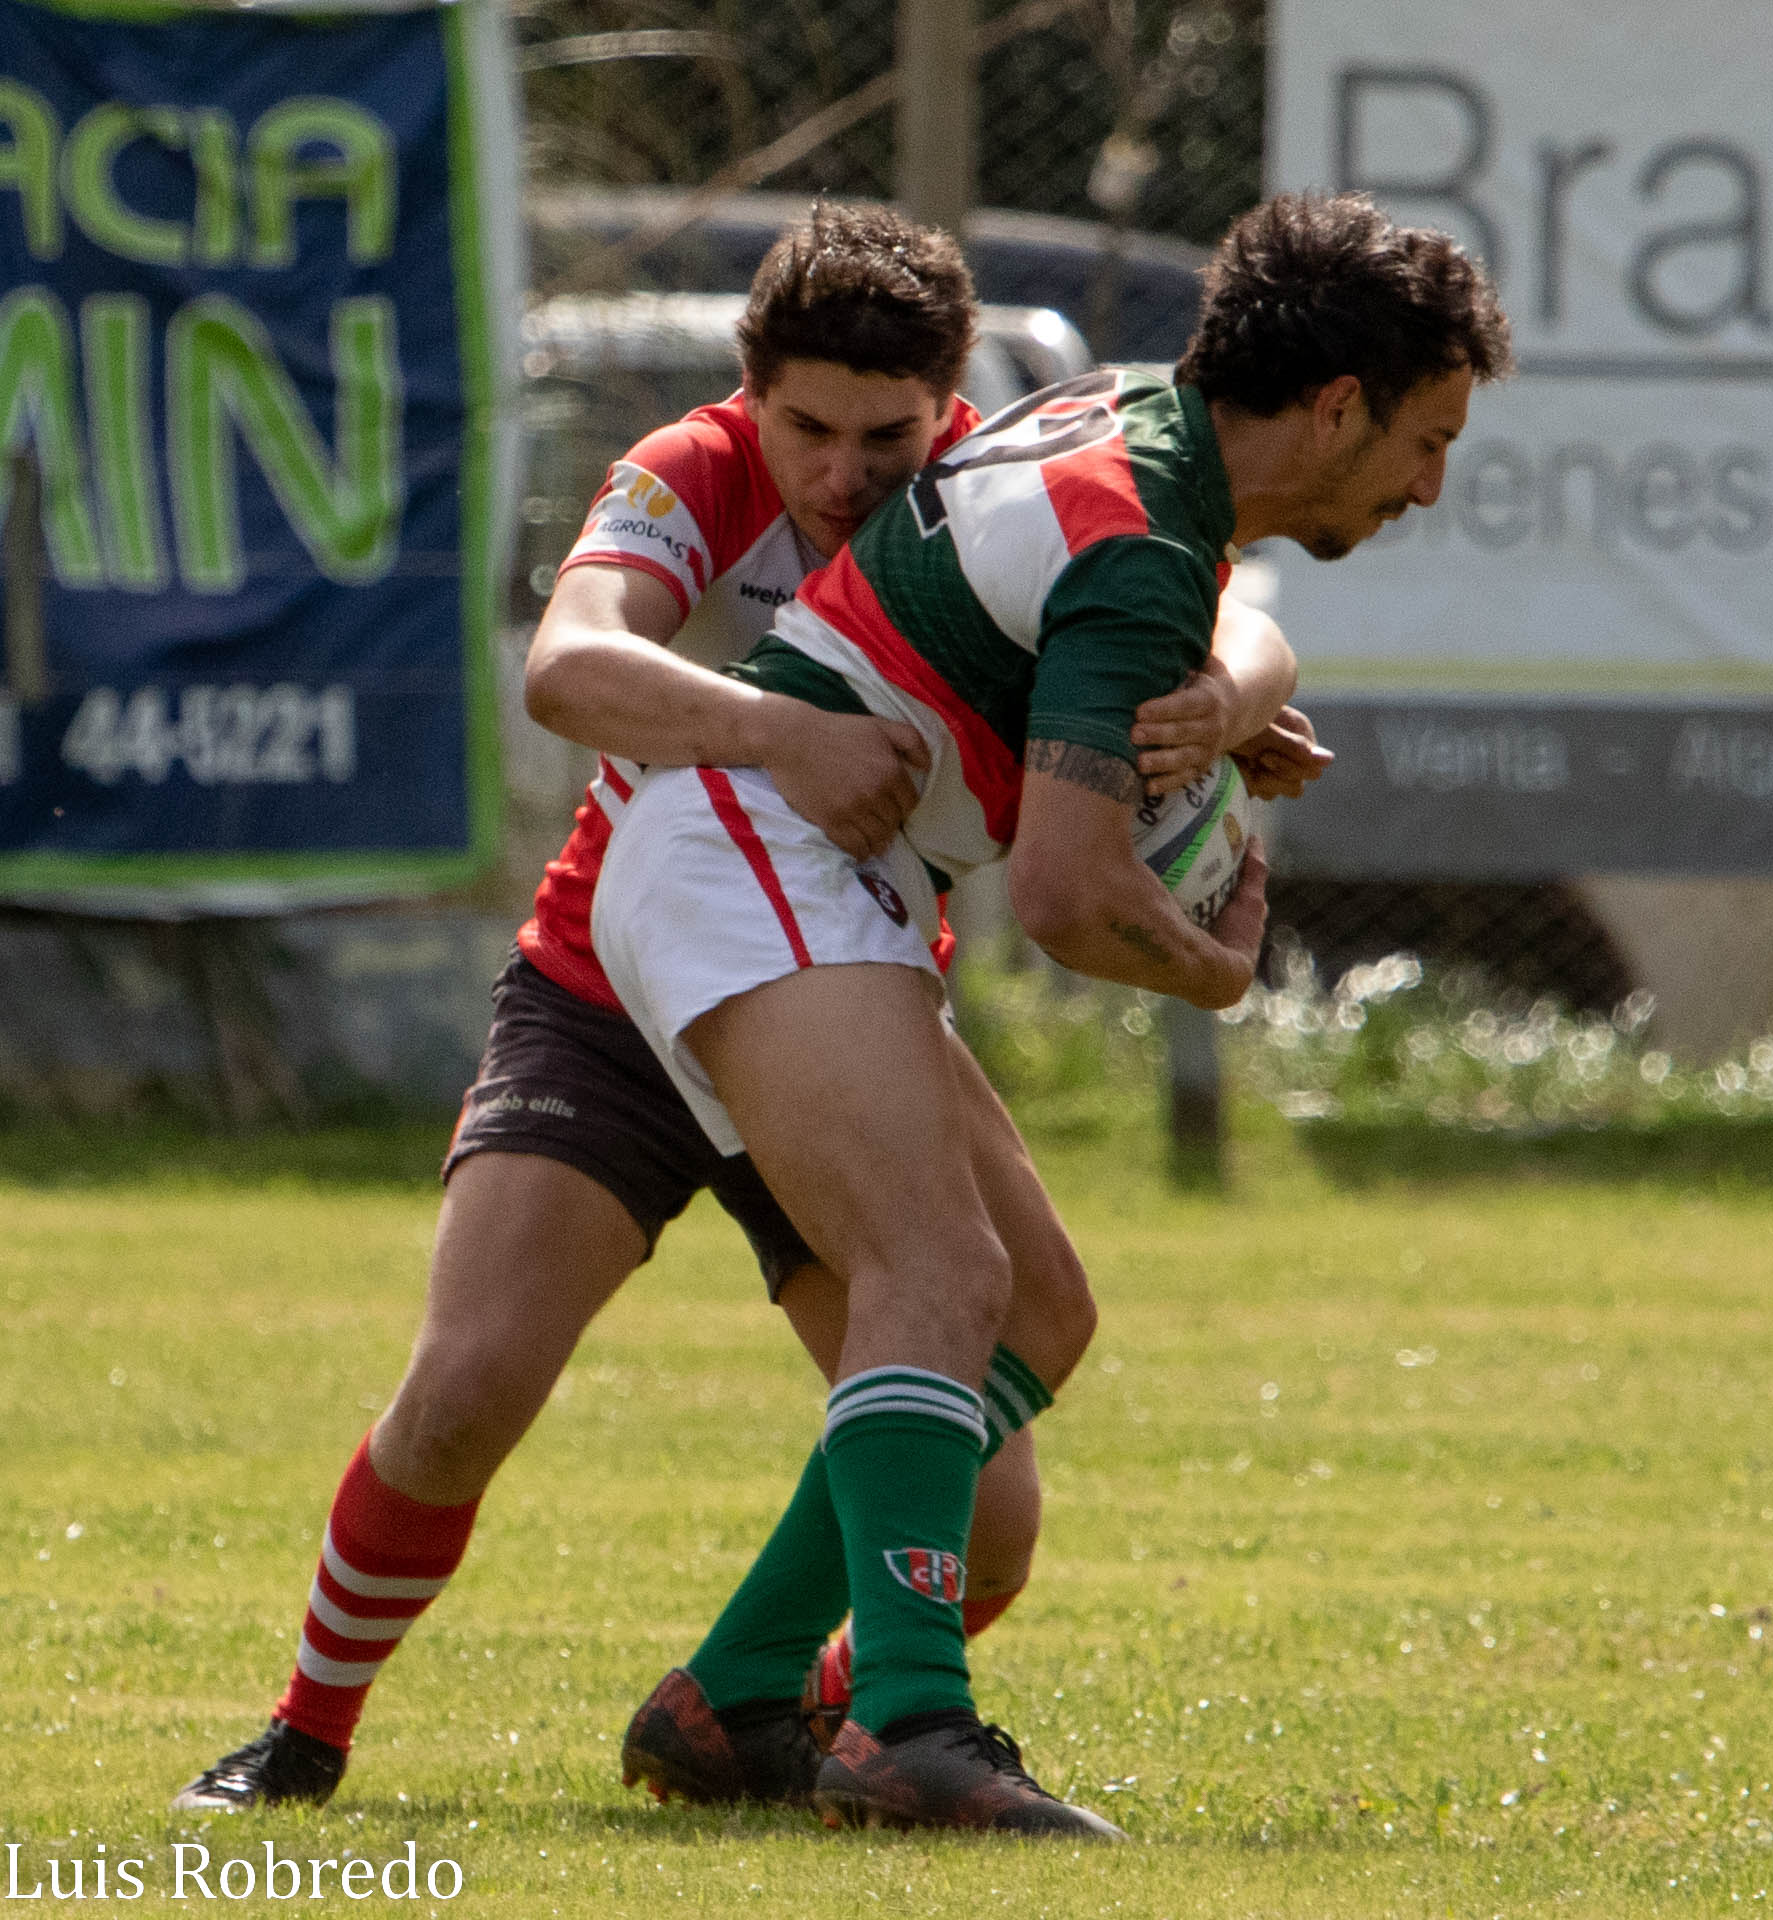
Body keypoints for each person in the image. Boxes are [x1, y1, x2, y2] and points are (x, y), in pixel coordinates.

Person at [170, 202, 1314, 1815]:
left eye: (888, 434)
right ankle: (304, 1734)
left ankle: (753, 1702)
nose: (846, 473)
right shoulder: (689, 467)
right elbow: (569, 667)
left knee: (986, 1519)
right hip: (608, 990)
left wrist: (1233, 695)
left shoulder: (998, 481)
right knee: (466, 1390)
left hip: (843, 983)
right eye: (809, 428)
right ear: (749, 390)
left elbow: (1221, 610)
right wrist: (780, 739)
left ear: (949, 407)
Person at [597, 190, 1513, 1837]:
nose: (1430, 484)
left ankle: (736, 1691)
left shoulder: (1145, 438)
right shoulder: (1145, 536)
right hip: (752, 848)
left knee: (1033, 1317)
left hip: (794, 865)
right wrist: (1222, 963)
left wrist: (1234, 698)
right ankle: (910, 1729)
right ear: (1334, 408)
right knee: (940, 1274)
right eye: (1426, 439)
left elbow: (1188, 629)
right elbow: (1073, 898)